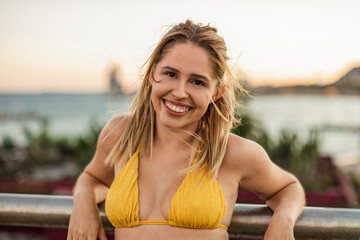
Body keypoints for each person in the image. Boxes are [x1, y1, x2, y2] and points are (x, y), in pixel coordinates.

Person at [67, 20, 305, 240]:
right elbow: (93, 178)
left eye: (197, 82)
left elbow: (289, 188)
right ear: (152, 75)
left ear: (216, 92)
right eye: (170, 74)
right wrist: (83, 201)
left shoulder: (232, 152)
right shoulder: (120, 134)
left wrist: (282, 221)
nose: (180, 92)